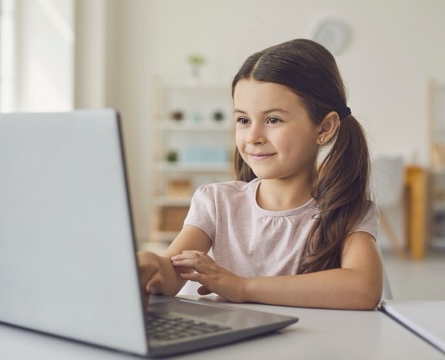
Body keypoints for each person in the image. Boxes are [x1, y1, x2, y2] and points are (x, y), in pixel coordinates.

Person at [138, 38, 383, 310]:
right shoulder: (216, 202)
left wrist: (242, 287)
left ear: (324, 127)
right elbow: (171, 272)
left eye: (273, 120)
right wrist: (150, 264)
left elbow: (363, 289)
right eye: (243, 120)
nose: (253, 137)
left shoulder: (347, 210)